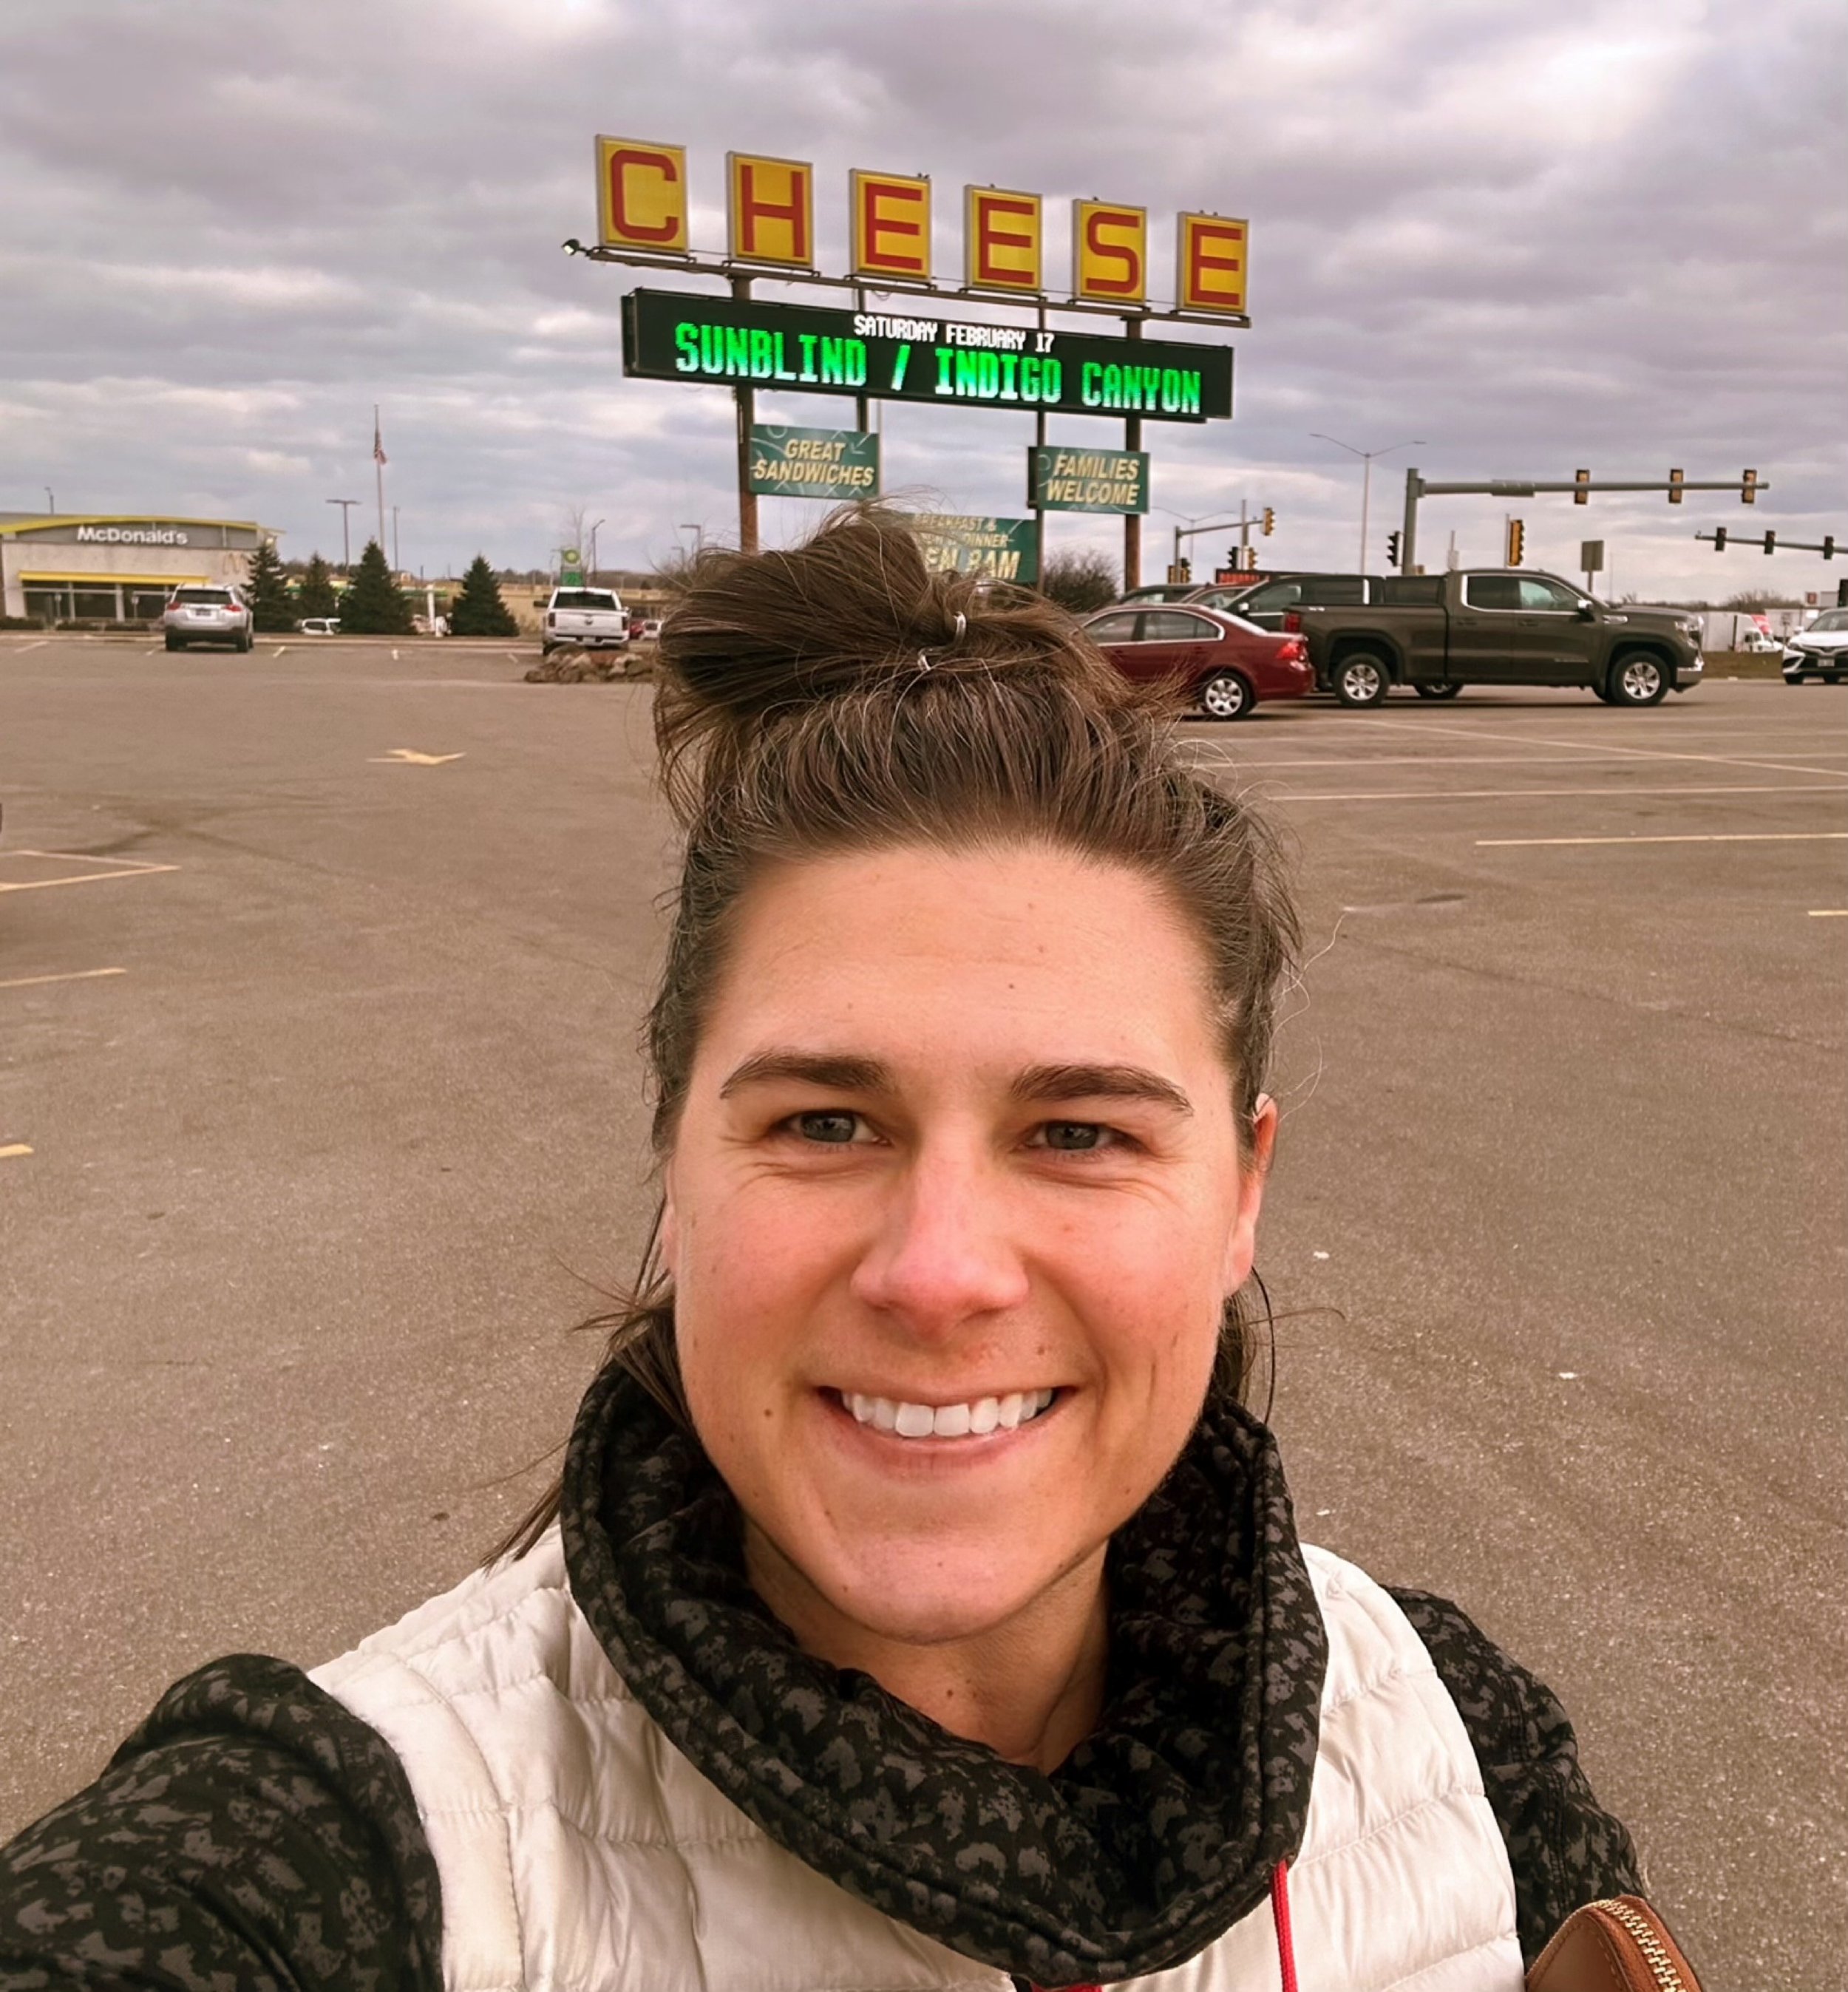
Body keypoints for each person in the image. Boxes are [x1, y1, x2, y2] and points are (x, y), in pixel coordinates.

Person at [0, 509, 1640, 1991]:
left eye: (1080, 1133)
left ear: (1241, 1193)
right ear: (675, 1159)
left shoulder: (1456, 1741)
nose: (939, 1272)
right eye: (827, 1122)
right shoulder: (335, 1845)